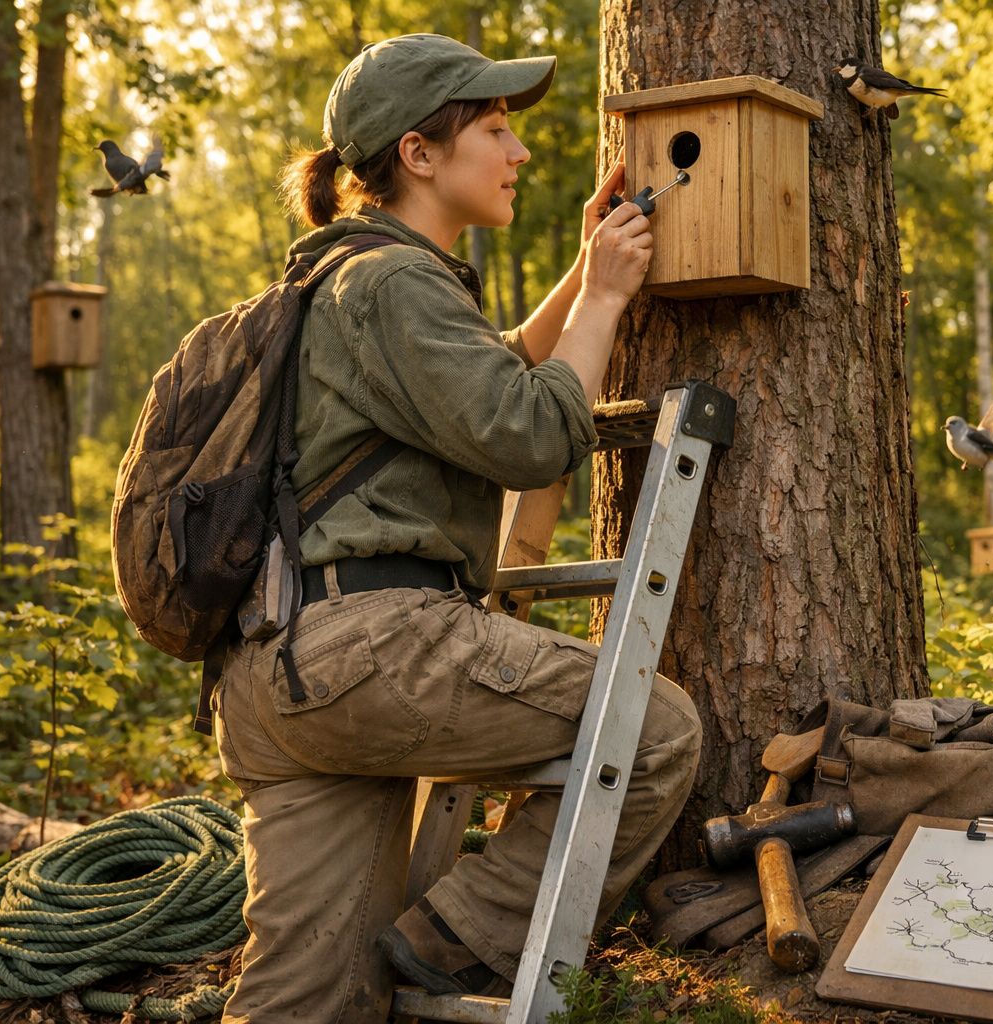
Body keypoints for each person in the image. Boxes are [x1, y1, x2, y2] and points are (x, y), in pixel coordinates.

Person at [210, 33, 704, 1024]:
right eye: (495, 130)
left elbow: (486, 375)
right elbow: (528, 432)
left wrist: (581, 275)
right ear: (420, 154)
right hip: (374, 648)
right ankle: (458, 940)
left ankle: (419, 949)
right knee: (655, 732)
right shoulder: (395, 282)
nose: (519, 152)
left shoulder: (337, 278)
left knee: (303, 998)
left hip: (277, 671)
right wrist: (608, 295)